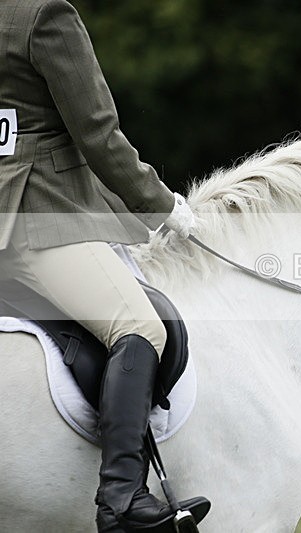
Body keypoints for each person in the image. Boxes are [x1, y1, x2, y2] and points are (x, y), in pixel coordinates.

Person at [0, 0, 210, 531]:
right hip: (37, 216)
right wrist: (160, 203)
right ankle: (122, 500)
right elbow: (98, 132)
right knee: (140, 326)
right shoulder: (44, 16)